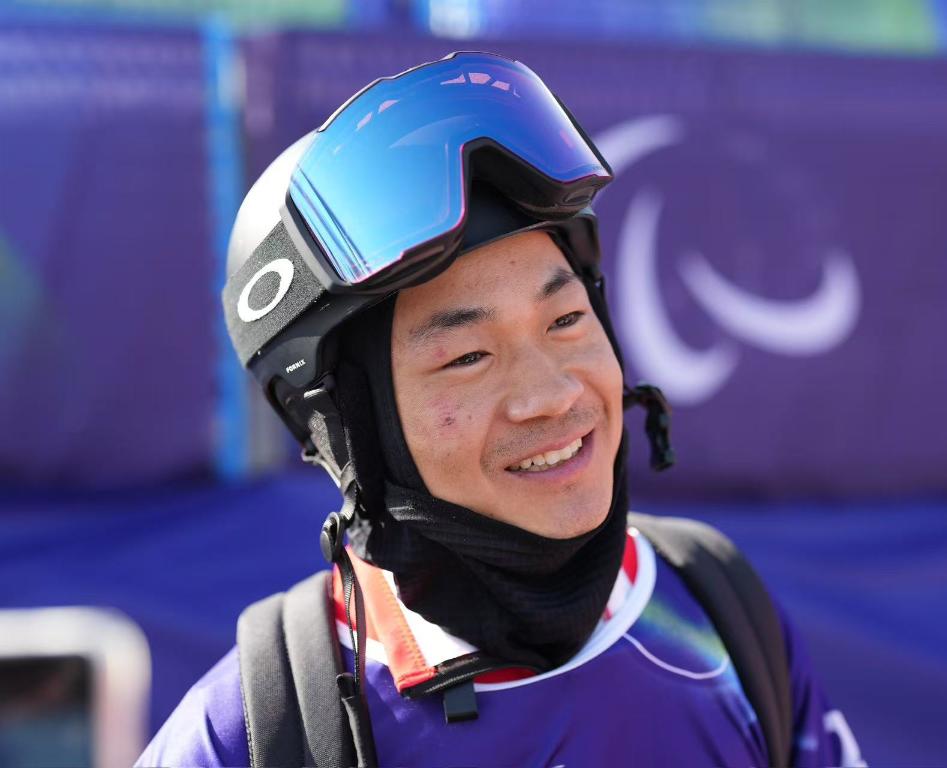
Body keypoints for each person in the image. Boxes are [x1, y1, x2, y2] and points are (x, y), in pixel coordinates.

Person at [138, 52, 864, 767]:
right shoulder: (251, 732)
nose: (552, 395)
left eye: (566, 321)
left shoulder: (719, 607)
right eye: (467, 357)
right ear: (348, 427)